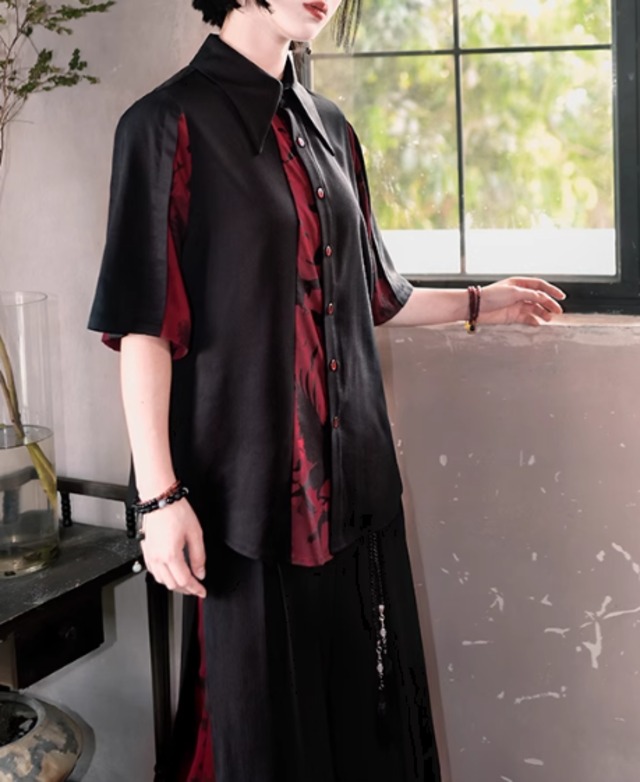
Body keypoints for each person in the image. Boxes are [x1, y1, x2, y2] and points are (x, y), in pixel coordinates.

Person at [88, 1, 566, 780]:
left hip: (353, 495)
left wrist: (485, 301)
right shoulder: (163, 125)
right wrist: (159, 498)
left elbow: (374, 294)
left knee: (363, 733)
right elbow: (143, 325)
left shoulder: (330, 126)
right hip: (245, 505)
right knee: (260, 740)